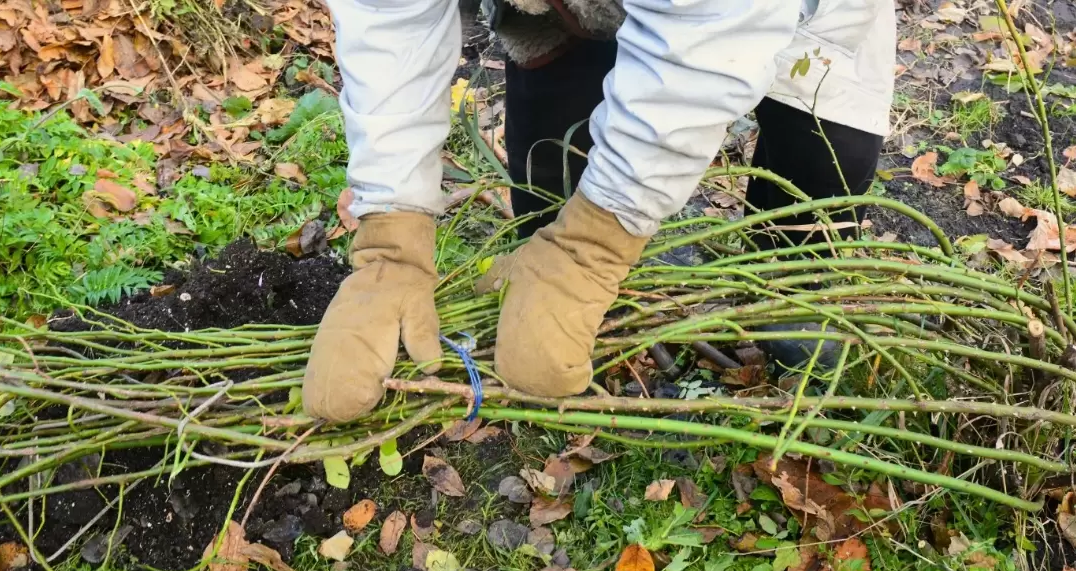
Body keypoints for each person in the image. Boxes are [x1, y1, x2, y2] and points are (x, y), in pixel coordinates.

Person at [302, 0, 895, 422]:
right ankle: (622, 276)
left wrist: (594, 241)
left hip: (778, 16)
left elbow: (717, 30)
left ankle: (784, 289)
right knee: (548, 187)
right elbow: (388, 19)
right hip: (569, 11)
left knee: (814, 168)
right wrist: (392, 237)